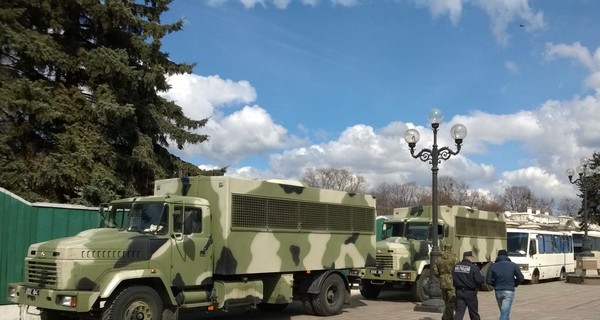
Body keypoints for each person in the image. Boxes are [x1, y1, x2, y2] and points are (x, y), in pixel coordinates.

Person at [486, 249, 525, 320]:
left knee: (504, 313)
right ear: (507, 256)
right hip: (509, 291)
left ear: (498, 256)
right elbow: (521, 278)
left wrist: (496, 285)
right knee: (505, 313)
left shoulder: (493, 266)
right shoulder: (513, 265)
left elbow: (488, 280)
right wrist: (514, 284)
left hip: (498, 291)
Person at [452, 251, 484, 320]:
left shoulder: (456, 267)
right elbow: (480, 280)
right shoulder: (473, 268)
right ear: (469, 257)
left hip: (459, 291)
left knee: (459, 312)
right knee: (473, 313)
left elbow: (453, 278)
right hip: (470, 292)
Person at [433, 243, 459, 320]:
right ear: (451, 248)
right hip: (452, 282)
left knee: (446, 301)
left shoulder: (438, 259)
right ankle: (449, 317)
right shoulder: (454, 258)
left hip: (442, 282)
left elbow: (434, 271)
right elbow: (458, 269)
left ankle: (447, 316)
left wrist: (441, 276)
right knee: (452, 300)